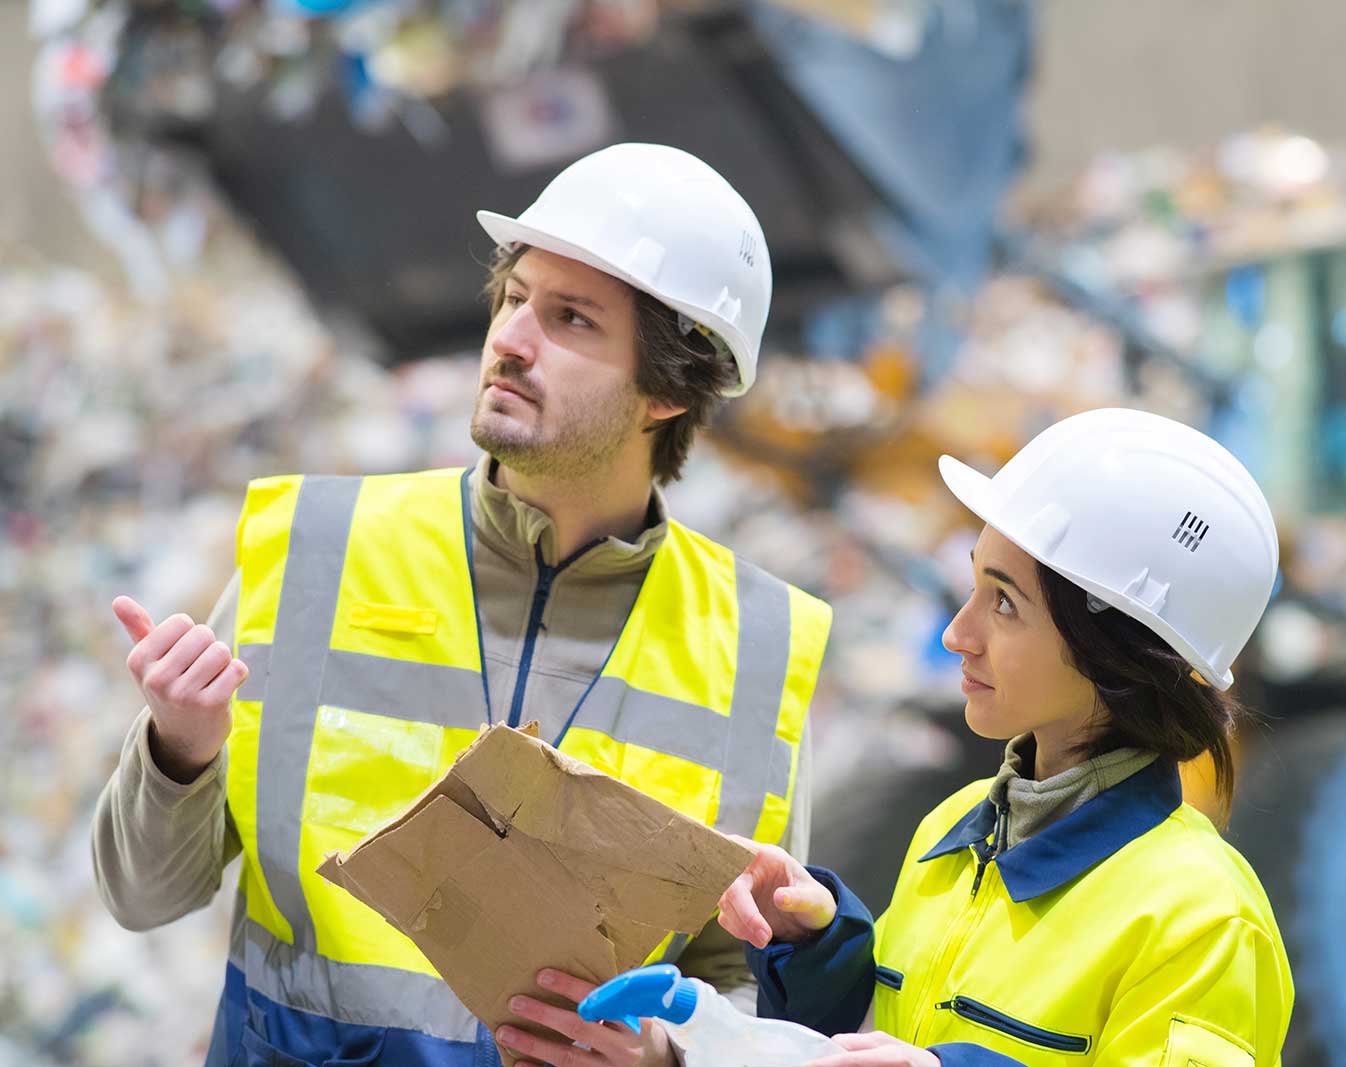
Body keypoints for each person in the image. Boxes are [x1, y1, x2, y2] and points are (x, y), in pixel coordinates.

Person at [92, 142, 833, 1067]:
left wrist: (664, 1054)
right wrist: (177, 750)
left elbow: (737, 977)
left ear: (667, 391)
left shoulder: (759, 647)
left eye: (571, 319)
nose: (511, 340)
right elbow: (141, 898)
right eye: (516, 297)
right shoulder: (321, 549)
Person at [717, 408, 1294, 1066]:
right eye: (974, 587)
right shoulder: (951, 830)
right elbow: (890, 1035)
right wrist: (816, 943)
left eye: (1004, 602)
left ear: (1114, 649)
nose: (957, 634)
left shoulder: (1203, 915)